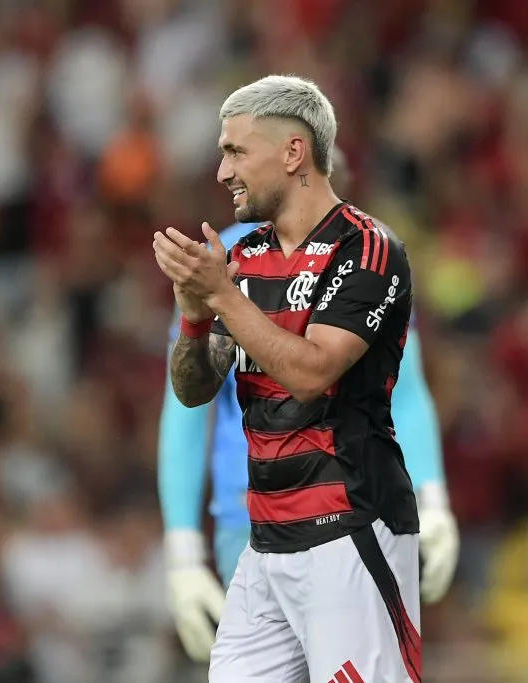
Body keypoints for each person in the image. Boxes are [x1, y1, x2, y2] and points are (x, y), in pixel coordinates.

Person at [153, 74, 429, 683]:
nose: (223, 172)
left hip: (351, 529)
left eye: (235, 151)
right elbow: (194, 390)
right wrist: (197, 319)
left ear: (293, 152)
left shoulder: (368, 250)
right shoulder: (245, 257)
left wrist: (222, 294)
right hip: (265, 542)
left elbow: (313, 372)